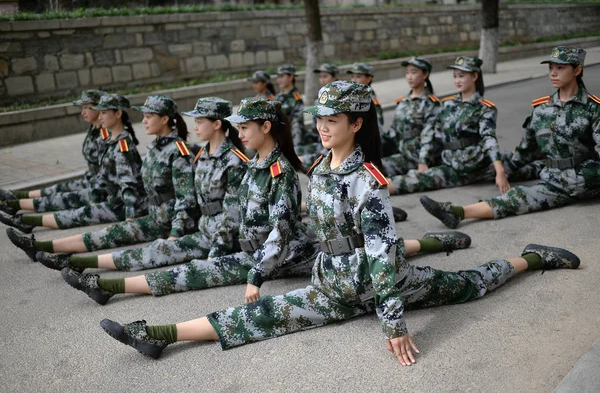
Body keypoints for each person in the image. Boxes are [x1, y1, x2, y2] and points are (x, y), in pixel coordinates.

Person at [97, 82, 580, 365]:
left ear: (356, 122)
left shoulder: (368, 180)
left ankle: (530, 257)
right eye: (319, 118)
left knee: (468, 285)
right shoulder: (318, 167)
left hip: (380, 283)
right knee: (260, 318)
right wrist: (266, 267)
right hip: (332, 283)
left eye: (333, 119)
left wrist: (393, 324)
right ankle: (156, 334)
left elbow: (379, 254)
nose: (323, 125)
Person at [60, 96, 468, 305]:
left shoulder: (279, 171)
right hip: (269, 250)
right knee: (194, 268)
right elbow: (244, 215)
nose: (239, 133)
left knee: (376, 248)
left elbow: (282, 228)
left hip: (290, 252)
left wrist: (256, 273)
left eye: (244, 127)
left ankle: (437, 241)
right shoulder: (254, 165)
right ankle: (105, 283)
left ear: (264, 127)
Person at [37, 97, 248, 273]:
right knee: (134, 244)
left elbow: (221, 211)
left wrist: (180, 234)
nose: (195, 126)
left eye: (200, 121)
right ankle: (63, 256)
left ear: (217, 124)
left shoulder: (229, 160)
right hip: (192, 226)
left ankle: (75, 263)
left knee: (157, 257)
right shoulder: (201, 154)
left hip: (206, 232)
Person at [420, 46, 600, 228]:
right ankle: (457, 212)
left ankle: (458, 211)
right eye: (551, 68)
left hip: (586, 180)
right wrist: (503, 172)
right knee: (511, 186)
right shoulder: (542, 109)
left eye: (560, 68)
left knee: (520, 196)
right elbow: (526, 150)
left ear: (577, 70)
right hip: (553, 179)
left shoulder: (593, 108)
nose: (553, 73)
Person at [7, 95, 197, 263]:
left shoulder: (177, 151)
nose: (144, 121)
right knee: (105, 233)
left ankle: (58, 253)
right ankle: (39, 245)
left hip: (167, 221)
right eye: (144, 116)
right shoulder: (156, 147)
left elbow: (185, 198)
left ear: (164, 119)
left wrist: (175, 234)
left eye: (149, 117)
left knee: (109, 237)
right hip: (155, 215)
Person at [2, 94, 146, 245]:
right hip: (112, 199)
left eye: (104, 112)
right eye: (100, 112)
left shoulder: (122, 146)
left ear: (118, 114)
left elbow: (129, 185)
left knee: (76, 215)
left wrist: (130, 218)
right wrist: (96, 198)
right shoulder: (111, 141)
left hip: (122, 205)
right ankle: (21, 216)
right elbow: (104, 177)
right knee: (71, 207)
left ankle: (24, 222)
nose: (100, 116)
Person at [387, 56, 509, 196]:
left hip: (474, 166)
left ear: (475, 76)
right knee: (417, 178)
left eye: (461, 76)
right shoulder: (447, 105)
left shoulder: (484, 108)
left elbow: (489, 139)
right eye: (455, 76)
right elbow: (434, 135)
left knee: (520, 166)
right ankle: (375, 188)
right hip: (450, 164)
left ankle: (377, 189)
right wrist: (424, 160)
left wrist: (499, 172)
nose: (457, 80)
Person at [0, 90, 109, 214]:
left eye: (86, 108)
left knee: (62, 199)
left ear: (98, 108)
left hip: (102, 188)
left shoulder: (106, 134)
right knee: (59, 188)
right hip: (92, 179)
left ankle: (14, 204)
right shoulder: (94, 128)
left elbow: (106, 171)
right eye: (82, 108)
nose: (82, 112)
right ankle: (16, 195)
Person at [381, 57, 441, 176]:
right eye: (407, 72)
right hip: (400, 152)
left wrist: (423, 162)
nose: (409, 76)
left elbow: (429, 135)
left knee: (377, 169)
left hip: (415, 157)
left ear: (425, 74)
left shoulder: (430, 103)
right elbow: (393, 133)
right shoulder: (403, 102)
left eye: (414, 72)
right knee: (367, 165)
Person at [296, 63, 340, 164]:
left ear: (335, 77)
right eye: (320, 77)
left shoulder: (340, 101)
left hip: (333, 149)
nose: (322, 80)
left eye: (325, 76)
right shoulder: (320, 99)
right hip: (321, 145)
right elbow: (315, 132)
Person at [275, 63, 318, 147]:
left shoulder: (296, 98)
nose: (279, 80)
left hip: (290, 135)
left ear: (291, 77)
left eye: (282, 76)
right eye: (278, 77)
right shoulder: (277, 97)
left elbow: (297, 122)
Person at [347, 62, 384, 131]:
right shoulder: (354, 96)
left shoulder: (371, 101)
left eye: (358, 77)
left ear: (368, 79)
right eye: (352, 76)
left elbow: (377, 129)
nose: (353, 80)